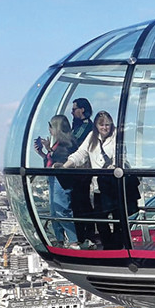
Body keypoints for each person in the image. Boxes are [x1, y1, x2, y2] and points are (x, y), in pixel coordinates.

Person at [62, 110, 123, 250]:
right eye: (102, 125)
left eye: (107, 125)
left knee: (117, 217)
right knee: (100, 218)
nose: (105, 128)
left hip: (114, 185)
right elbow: (81, 153)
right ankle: (108, 245)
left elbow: (121, 155)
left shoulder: (117, 137)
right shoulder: (92, 137)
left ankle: (118, 245)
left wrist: (114, 167)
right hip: (99, 186)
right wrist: (67, 165)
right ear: (96, 125)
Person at [33, 115, 78, 247]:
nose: (49, 130)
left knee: (61, 209)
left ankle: (72, 240)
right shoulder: (58, 144)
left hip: (60, 180)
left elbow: (62, 161)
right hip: (54, 179)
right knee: (54, 210)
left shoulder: (67, 144)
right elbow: (52, 160)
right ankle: (60, 239)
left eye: (51, 127)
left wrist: (49, 151)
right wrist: (44, 153)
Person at [68, 98, 96, 247]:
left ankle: (84, 234)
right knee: (80, 202)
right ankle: (85, 233)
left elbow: (75, 145)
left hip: (82, 171)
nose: (72, 113)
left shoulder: (86, 128)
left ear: (82, 110)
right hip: (79, 171)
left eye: (74, 109)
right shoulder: (82, 127)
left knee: (81, 202)